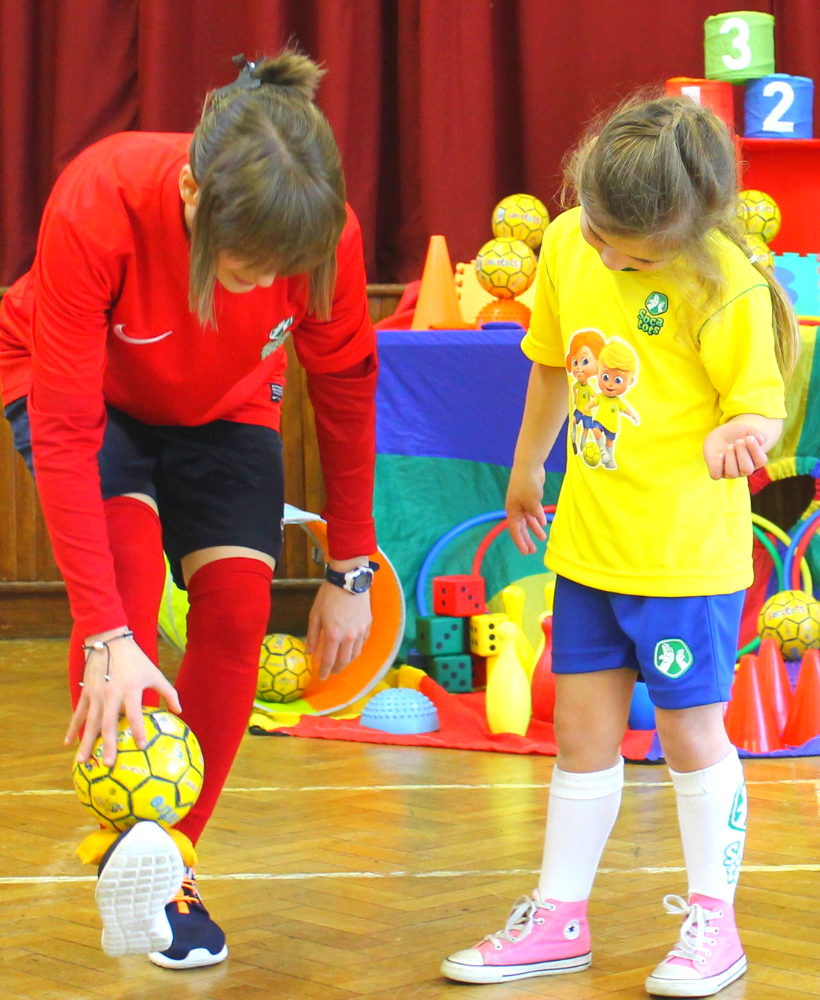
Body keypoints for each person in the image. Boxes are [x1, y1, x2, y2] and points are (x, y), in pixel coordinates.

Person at [0, 50, 380, 970]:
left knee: (242, 612)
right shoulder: (101, 198)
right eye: (246, 267)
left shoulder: (325, 234)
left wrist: (350, 567)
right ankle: (123, 832)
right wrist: (102, 636)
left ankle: (168, 863)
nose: (259, 291)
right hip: (86, 398)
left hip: (223, 407)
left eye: (278, 273)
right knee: (127, 599)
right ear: (191, 196)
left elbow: (345, 389)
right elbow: (64, 429)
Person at [442, 95, 798, 997]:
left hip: (683, 562)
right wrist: (527, 467)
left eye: (628, 253)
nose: (604, 256)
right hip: (588, 551)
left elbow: (763, 402)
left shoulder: (726, 283)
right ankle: (560, 917)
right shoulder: (568, 241)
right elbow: (554, 363)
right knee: (581, 741)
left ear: (682, 230)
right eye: (599, 234)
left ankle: (715, 922)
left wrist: (741, 433)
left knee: (688, 735)